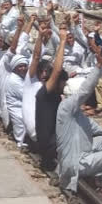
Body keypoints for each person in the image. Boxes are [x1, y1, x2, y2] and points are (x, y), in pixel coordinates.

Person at [56, 56, 102, 204]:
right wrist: (98, 68)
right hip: (75, 163)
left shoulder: (78, 115)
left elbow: (94, 127)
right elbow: (85, 90)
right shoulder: (66, 108)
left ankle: (96, 177)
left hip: (79, 158)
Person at [35, 27, 68, 171]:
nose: (64, 85)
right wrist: (62, 41)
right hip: (49, 144)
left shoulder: (54, 95)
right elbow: (58, 69)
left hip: (51, 141)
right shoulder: (45, 93)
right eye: (63, 82)